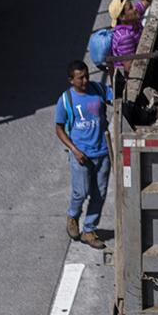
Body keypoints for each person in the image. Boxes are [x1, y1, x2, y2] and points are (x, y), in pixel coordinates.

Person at [54, 60, 111, 248]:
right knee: (81, 192)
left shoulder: (99, 90)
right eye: (81, 78)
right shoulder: (66, 100)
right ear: (71, 80)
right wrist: (74, 150)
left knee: (99, 194)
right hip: (81, 155)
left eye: (87, 76)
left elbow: (118, 96)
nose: (86, 80)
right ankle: (73, 216)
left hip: (102, 153)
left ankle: (89, 230)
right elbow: (59, 129)